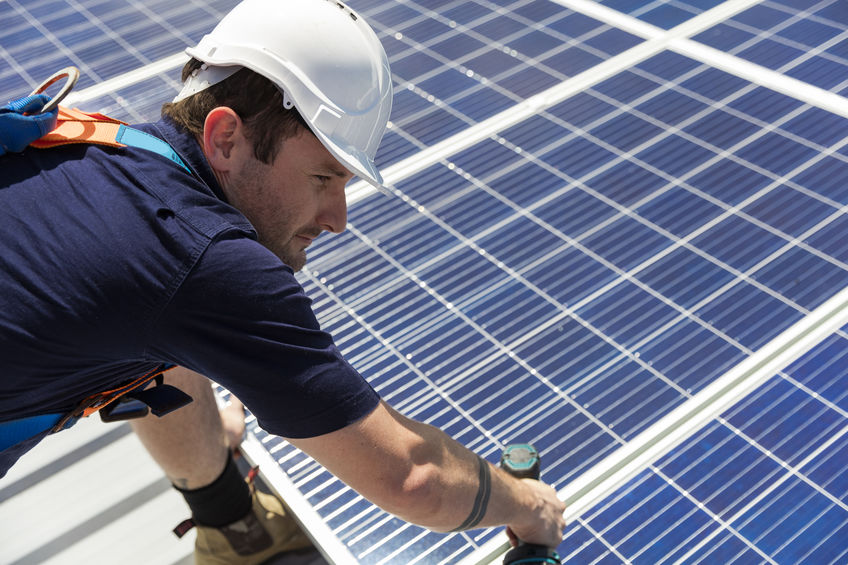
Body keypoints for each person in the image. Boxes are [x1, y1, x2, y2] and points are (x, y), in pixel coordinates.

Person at [0, 0, 567, 563]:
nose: (338, 218)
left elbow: (160, 319)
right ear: (225, 138)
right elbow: (413, 476)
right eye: (324, 176)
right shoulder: (206, 260)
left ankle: (225, 515)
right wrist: (526, 506)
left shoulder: (98, 149)